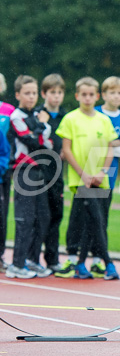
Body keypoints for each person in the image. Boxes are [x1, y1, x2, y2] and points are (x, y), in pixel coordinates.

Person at [64, 76, 120, 278]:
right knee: (91, 220)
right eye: (83, 94)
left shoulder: (105, 121)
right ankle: (106, 263)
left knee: (96, 221)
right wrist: (84, 174)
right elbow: (67, 150)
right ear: (77, 96)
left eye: (91, 94)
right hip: (82, 180)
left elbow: (114, 149)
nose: (87, 98)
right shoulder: (71, 118)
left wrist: (102, 172)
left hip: (101, 179)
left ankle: (85, 263)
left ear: (96, 96)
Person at [6, 75, 53, 279]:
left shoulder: (36, 115)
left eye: (34, 93)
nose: (31, 96)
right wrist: (41, 128)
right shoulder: (16, 117)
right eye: (27, 93)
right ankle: (17, 264)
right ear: (18, 94)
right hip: (24, 171)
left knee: (42, 216)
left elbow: (47, 142)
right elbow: (33, 141)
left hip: (39, 171)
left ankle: (32, 260)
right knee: (24, 219)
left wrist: (40, 132)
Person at [33, 74, 68, 275]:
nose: (56, 97)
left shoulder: (66, 117)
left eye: (60, 92)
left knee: (56, 215)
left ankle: (52, 259)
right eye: (52, 92)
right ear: (44, 93)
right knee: (40, 217)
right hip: (38, 174)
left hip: (57, 175)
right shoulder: (37, 114)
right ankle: (33, 258)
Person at [0, 73, 15, 272]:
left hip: (3, 170)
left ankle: (1, 255)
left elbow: (10, 142)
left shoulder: (9, 111)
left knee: (2, 214)